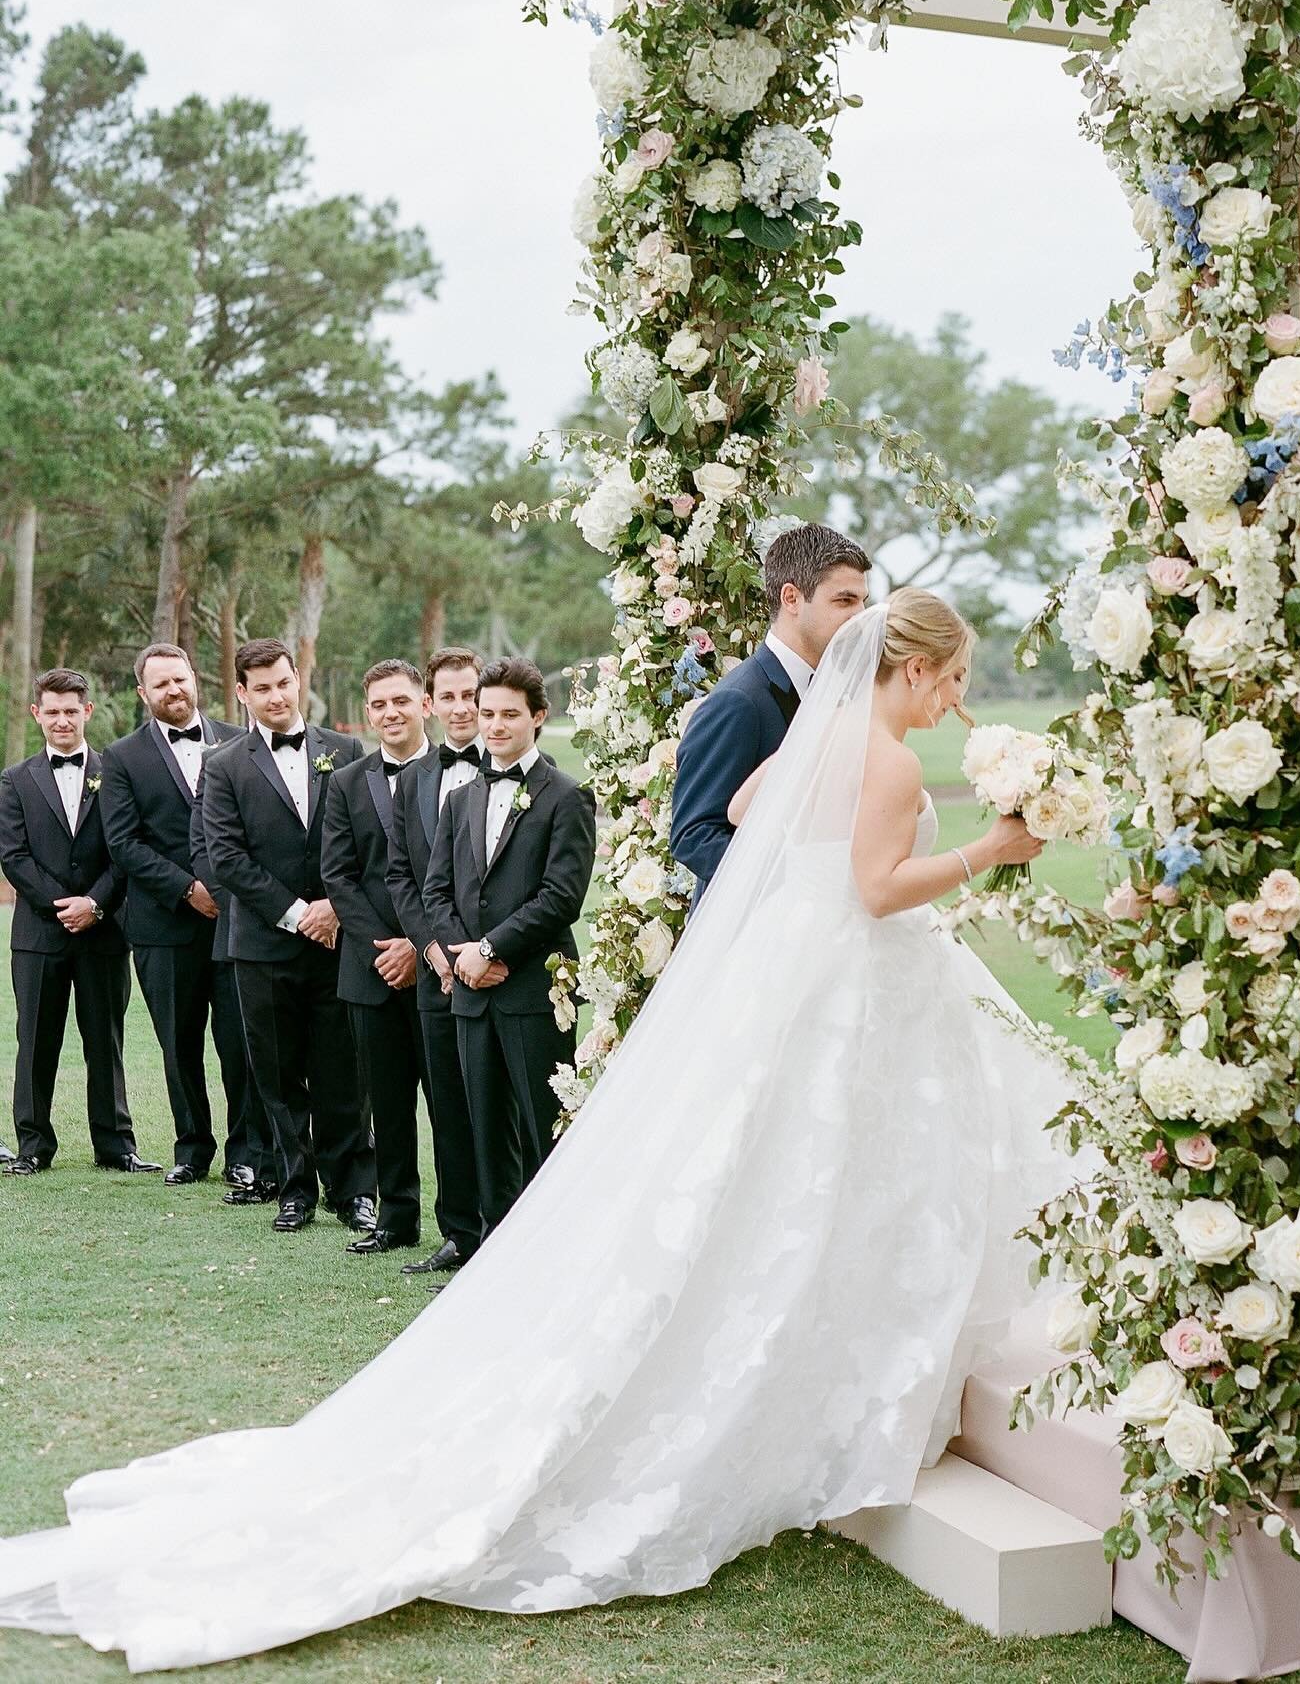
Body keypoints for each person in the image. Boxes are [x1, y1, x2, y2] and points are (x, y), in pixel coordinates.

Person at [0, 591, 1066, 1672]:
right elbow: (879, 889)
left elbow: (748, 811)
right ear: (917, 669)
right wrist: (995, 845)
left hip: (800, 975)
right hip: (849, 977)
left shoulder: (824, 735)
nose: (957, 700)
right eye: (954, 678)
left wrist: (811, 882)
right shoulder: (881, 756)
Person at [199, 638, 375, 1238]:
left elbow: (361, 843)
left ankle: (353, 1190)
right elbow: (225, 857)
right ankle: (295, 1188)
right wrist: (300, 913)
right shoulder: (222, 765)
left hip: (338, 942)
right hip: (264, 945)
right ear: (242, 694)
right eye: (262, 688)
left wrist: (335, 908)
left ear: (298, 678)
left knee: (343, 1072)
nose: (275, 696)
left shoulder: (346, 750)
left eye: (283, 682)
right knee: (276, 1073)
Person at [422, 657, 596, 1239]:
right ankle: (494, 1261)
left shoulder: (566, 797)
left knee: (544, 1127)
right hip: (472, 994)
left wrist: (492, 949)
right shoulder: (461, 799)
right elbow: (436, 890)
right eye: (486, 712)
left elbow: (561, 897)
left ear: (538, 717)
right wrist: (462, 956)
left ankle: (555, 1248)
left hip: (534, 990)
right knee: (484, 1129)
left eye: (508, 715)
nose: (493, 725)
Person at [98, 644, 251, 1187]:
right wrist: (186, 888)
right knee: (178, 1042)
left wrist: (226, 890)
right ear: (144, 693)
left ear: (195, 679)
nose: (174, 691)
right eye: (160, 684)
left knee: (241, 1041)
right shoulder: (120, 758)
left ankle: (246, 1150)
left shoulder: (239, 740)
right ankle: (192, 1146)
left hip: (237, 922)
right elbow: (123, 842)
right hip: (163, 925)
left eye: (180, 679)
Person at [0, 669, 158, 1178]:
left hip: (105, 929)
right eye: (53, 711)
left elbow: (126, 849)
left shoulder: (116, 772)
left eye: (72, 711)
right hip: (38, 937)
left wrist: (95, 904)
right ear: (37, 715)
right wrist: (63, 904)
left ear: (87, 712)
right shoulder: (15, 780)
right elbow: (13, 856)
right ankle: (32, 1145)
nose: (62, 720)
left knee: (104, 1038)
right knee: (36, 1040)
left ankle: (115, 1145)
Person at [671, 522, 870, 908]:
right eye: (844, 601)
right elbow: (693, 835)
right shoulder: (740, 701)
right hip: (747, 934)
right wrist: (796, 884)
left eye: (863, 601)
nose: (860, 616)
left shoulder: (834, 691)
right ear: (792, 598)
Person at [321, 659, 437, 1257]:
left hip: (439, 967)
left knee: (449, 1103)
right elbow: (337, 875)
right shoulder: (345, 782)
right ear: (368, 713)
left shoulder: (455, 775)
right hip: (370, 968)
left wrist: (421, 947)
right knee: (386, 1103)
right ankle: (396, 1218)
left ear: (424, 704)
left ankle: (464, 1220)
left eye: (401, 701)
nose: (390, 713)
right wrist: (384, 949)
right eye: (379, 705)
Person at [384, 647, 488, 1275]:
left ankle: (512, 1225)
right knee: (446, 1104)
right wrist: (431, 949)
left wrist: (478, 953)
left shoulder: (527, 775)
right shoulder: (415, 780)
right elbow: (403, 875)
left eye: (468, 695)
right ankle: (458, 1233)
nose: (458, 707)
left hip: (496, 969)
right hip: (435, 971)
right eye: (445, 697)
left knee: (494, 1105)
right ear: (430, 704)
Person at [188, 743, 277, 1206]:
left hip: (322, 930)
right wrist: (260, 904)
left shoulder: (332, 752)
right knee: (251, 1053)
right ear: (243, 693)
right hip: (245, 928)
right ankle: (261, 1166)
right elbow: (206, 849)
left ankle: (338, 1171)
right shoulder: (220, 763)